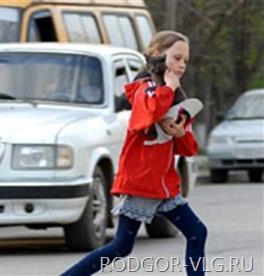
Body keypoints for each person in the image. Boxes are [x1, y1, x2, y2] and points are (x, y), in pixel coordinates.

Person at [61, 30, 208, 276]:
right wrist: (168, 89)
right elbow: (146, 117)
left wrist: (181, 134)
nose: (182, 65)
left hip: (164, 186)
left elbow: (189, 148)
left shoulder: (176, 99)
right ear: (157, 55)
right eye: (177, 58)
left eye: (185, 61)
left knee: (197, 232)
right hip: (141, 183)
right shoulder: (145, 89)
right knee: (121, 247)